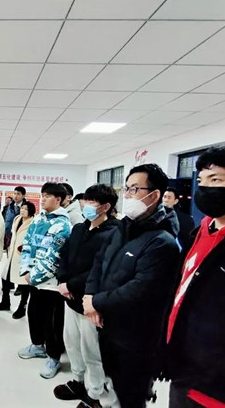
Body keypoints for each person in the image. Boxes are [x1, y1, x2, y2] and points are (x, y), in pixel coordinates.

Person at [83, 164, 181, 408]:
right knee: (114, 382)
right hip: (108, 325)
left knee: (132, 395)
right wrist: (90, 295)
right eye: (125, 189)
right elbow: (100, 262)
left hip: (135, 337)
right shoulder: (123, 227)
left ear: (154, 196)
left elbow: (140, 290)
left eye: (134, 189)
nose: (127, 195)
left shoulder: (163, 242)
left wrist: (96, 302)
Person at [165, 143, 225, 408]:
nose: (204, 189)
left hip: (220, 388)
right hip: (185, 371)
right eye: (202, 181)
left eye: (216, 180)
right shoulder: (202, 230)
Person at [54, 184, 120, 408]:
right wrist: (62, 280)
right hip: (69, 298)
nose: (86, 205)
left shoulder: (114, 233)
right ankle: (78, 380)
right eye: (86, 201)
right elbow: (64, 254)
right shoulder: (80, 229)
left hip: (90, 302)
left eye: (92, 202)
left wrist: (71, 284)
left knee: (92, 350)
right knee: (71, 342)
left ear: (106, 207)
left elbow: (100, 269)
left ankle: (95, 393)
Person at [17, 182, 71, 379]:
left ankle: (54, 357)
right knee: (34, 314)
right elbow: (28, 244)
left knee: (52, 323)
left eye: (47, 196)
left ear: (58, 199)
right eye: (42, 195)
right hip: (34, 280)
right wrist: (26, 270)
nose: (43, 199)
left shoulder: (63, 225)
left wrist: (35, 276)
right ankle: (37, 345)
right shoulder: (39, 219)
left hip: (51, 284)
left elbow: (54, 257)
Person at [0, 201, 36, 318]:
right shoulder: (17, 219)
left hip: (24, 257)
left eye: (26, 209)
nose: (23, 210)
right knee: (5, 278)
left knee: (24, 283)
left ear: (31, 211)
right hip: (12, 254)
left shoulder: (34, 223)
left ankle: (22, 306)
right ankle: (5, 302)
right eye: (22, 208)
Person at [162, 187, 196, 254]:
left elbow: (187, 241)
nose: (166, 200)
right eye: (164, 197)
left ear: (176, 201)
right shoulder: (155, 216)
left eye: (169, 198)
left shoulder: (185, 219)